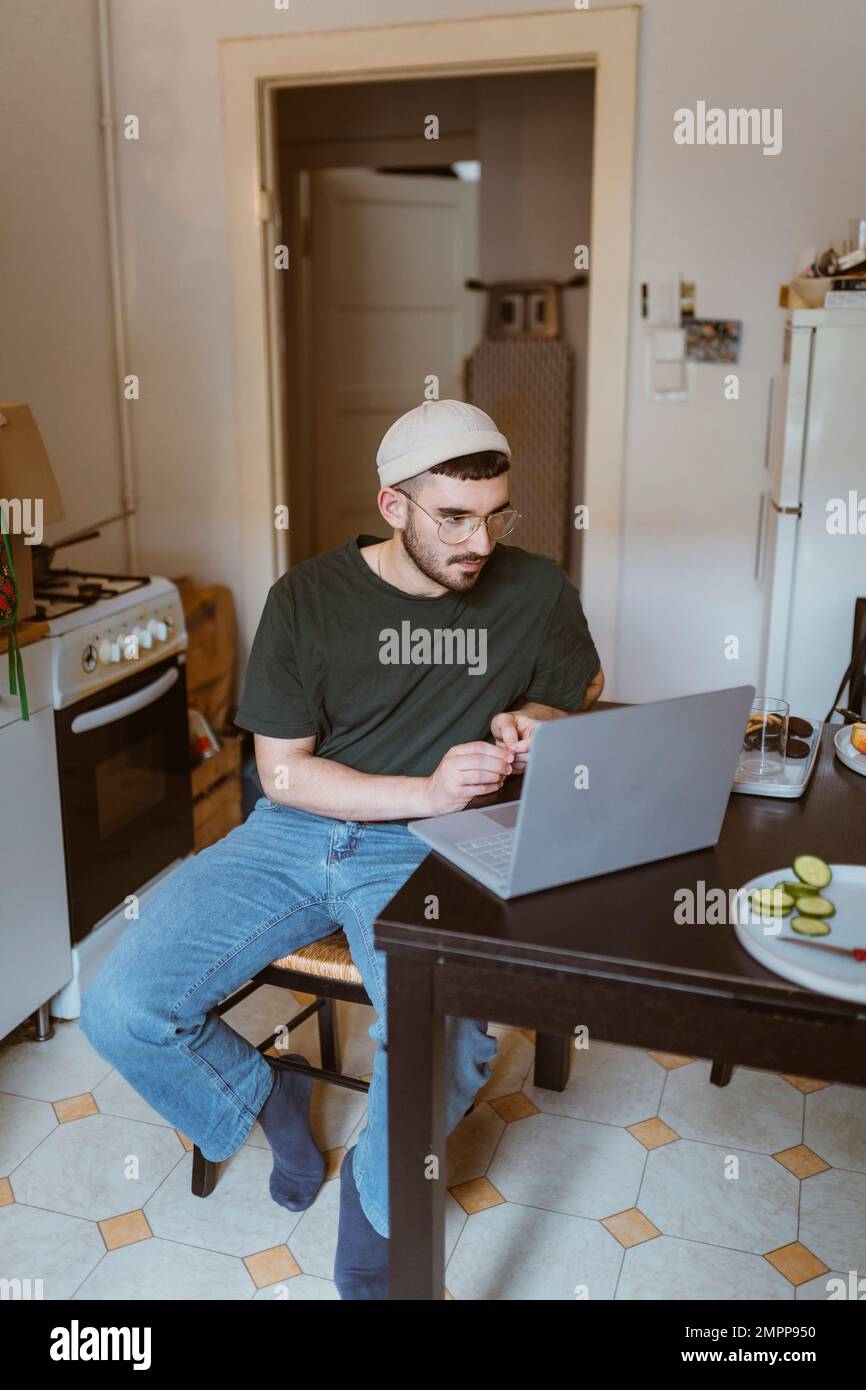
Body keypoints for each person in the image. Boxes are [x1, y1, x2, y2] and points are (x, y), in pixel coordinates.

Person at [80, 399, 604, 1299]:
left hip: (429, 850)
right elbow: (282, 776)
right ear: (394, 506)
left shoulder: (538, 589)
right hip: (292, 834)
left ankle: (377, 1205)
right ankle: (268, 1097)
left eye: (495, 516)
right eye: (454, 518)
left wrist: (536, 720)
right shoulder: (307, 599)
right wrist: (427, 788)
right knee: (121, 1008)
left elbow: (581, 685)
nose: (480, 541)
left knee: (442, 1032)